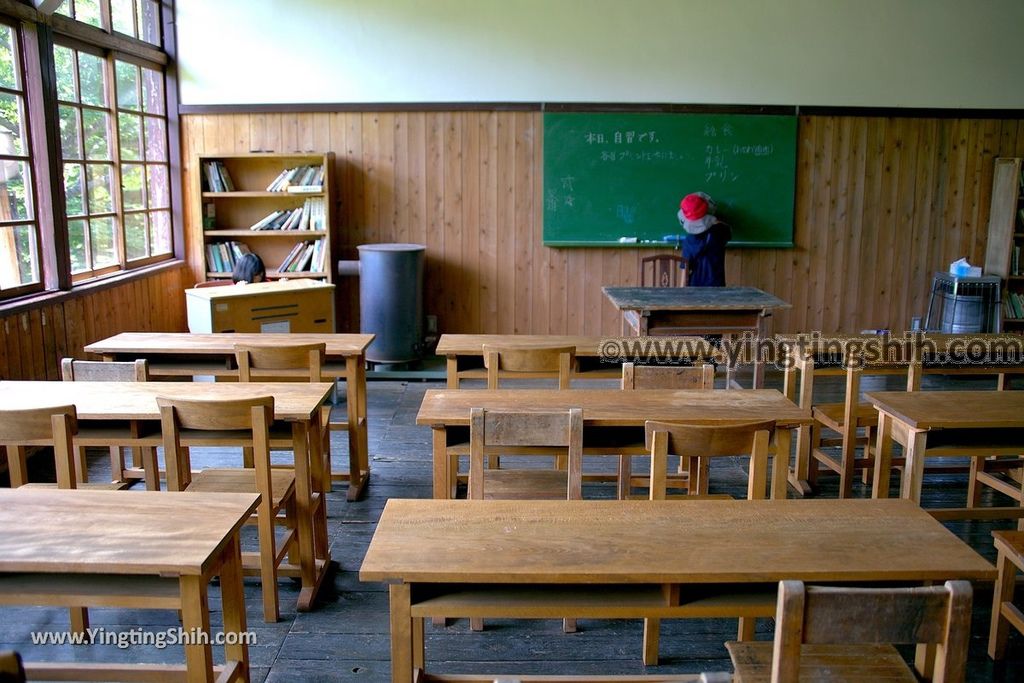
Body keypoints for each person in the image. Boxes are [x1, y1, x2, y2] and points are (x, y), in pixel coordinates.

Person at [677, 192, 731, 286]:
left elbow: (684, 271)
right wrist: (712, 221)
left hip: (695, 288)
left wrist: (682, 293)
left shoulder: (689, 241)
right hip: (717, 285)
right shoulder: (720, 232)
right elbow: (727, 230)